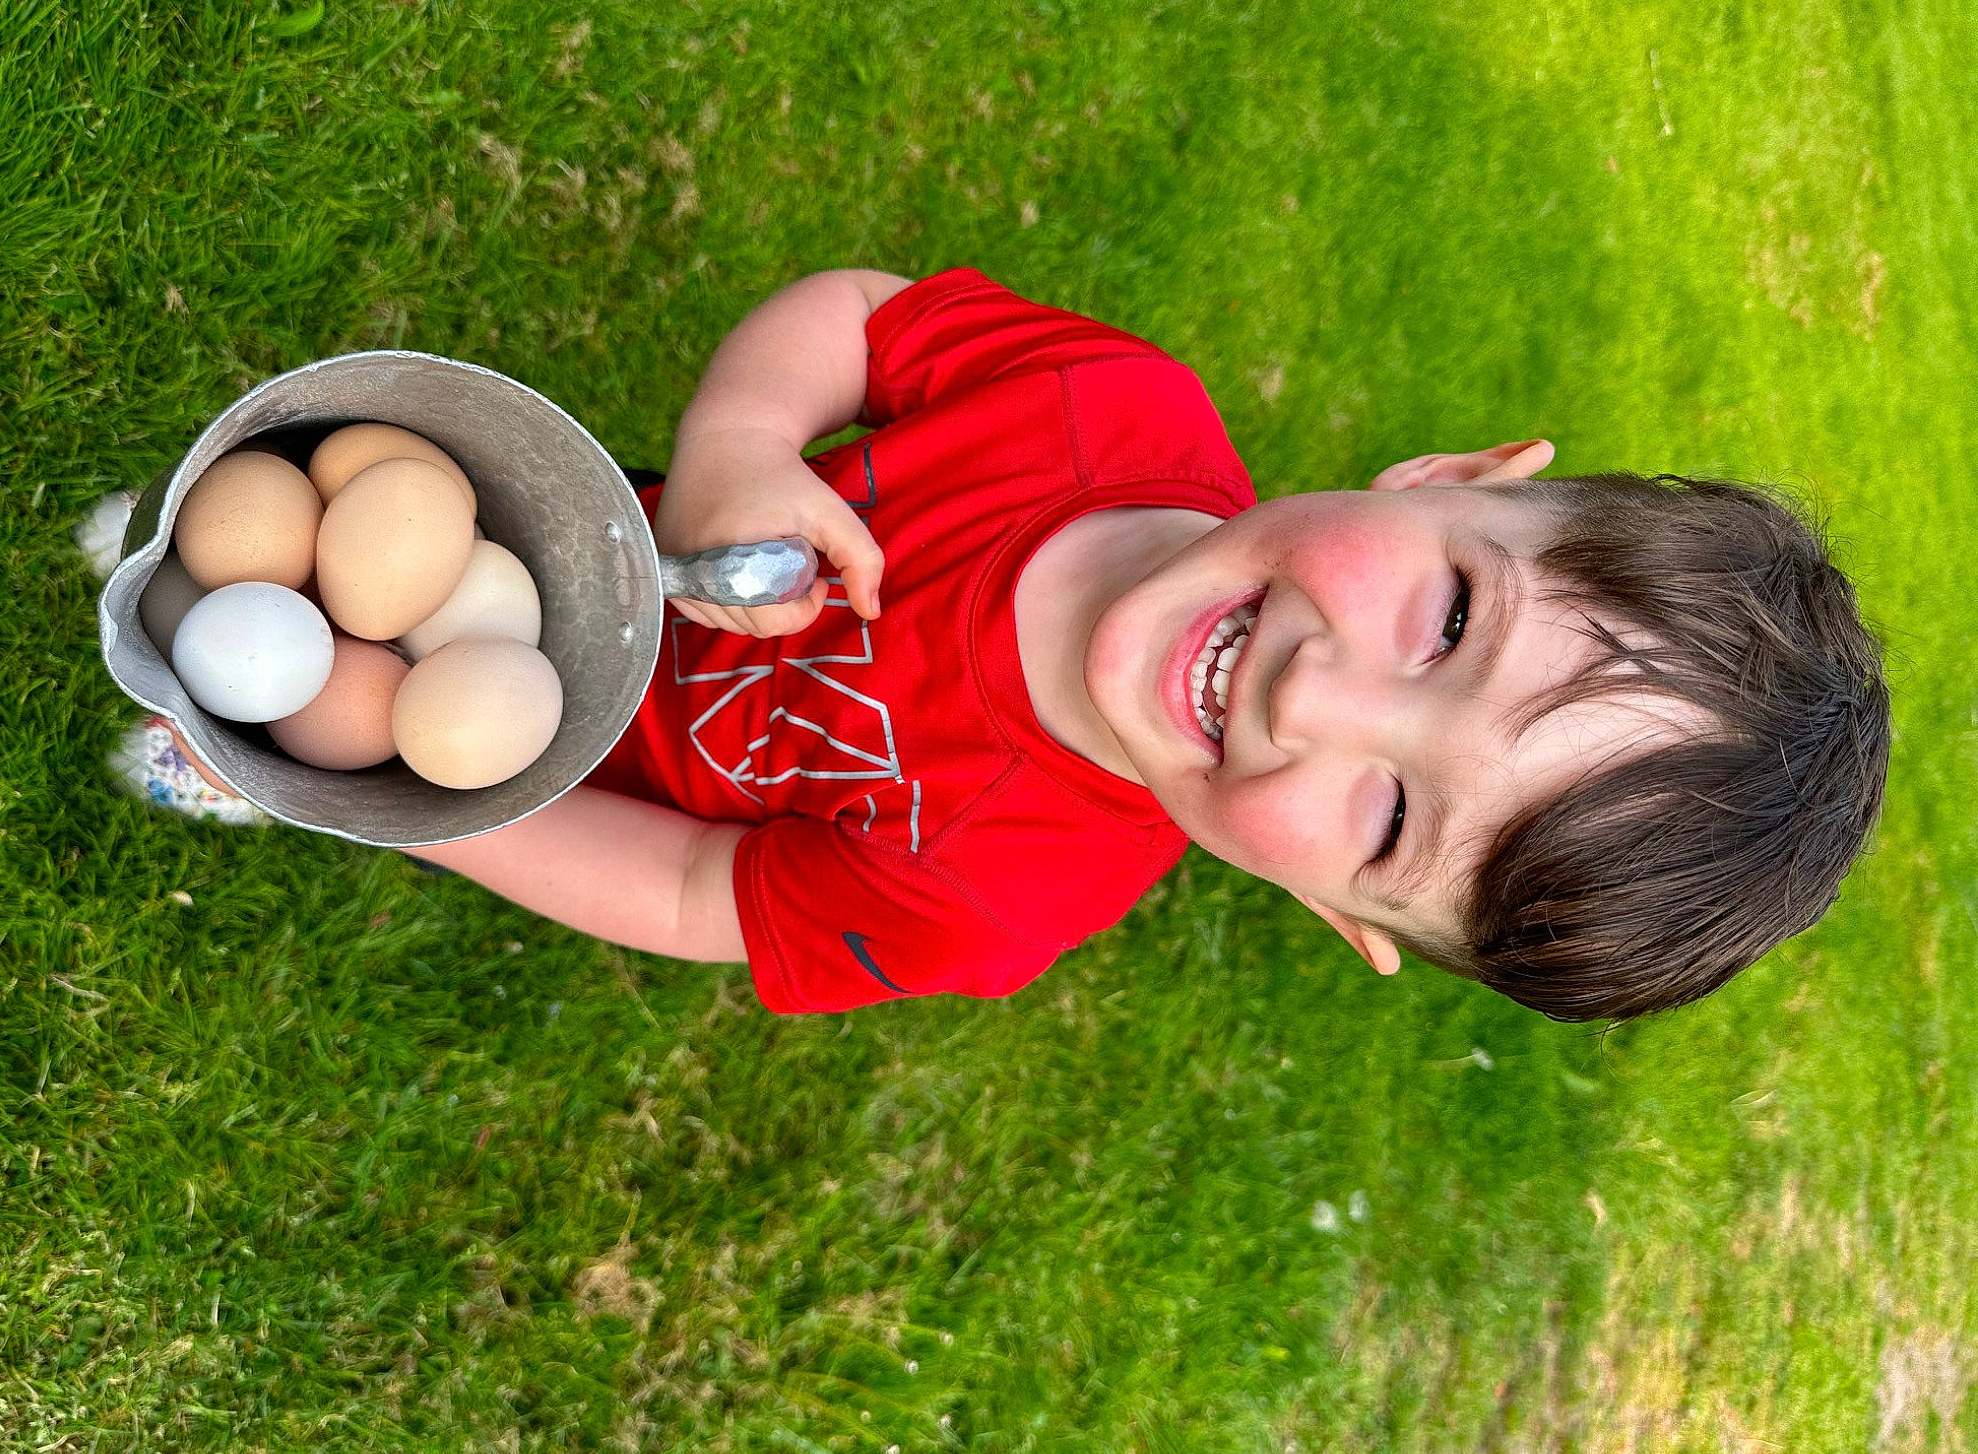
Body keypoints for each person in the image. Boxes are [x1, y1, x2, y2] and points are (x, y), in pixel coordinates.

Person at [116, 267, 1890, 1022]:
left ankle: (273, 730)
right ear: (1457, 481)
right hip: (550, 553)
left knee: (313, 699)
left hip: (531, 723)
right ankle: (269, 603)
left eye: (1385, 820)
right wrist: (742, 448)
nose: (1315, 697)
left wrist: (431, 777)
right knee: (328, 549)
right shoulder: (1103, 409)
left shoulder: (994, 897)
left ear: (1344, 920)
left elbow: (685, 897)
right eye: (1447, 616)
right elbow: (856, 321)